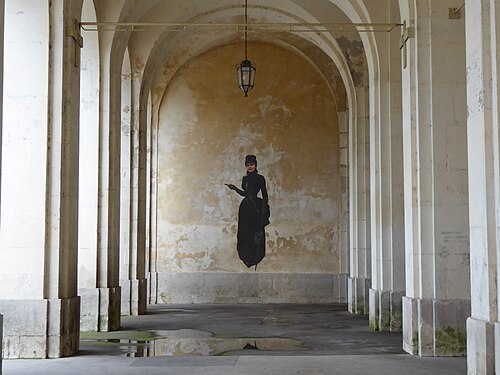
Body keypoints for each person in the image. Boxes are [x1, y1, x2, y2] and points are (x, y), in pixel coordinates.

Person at [226, 154, 270, 269]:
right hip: (245, 208)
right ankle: (246, 256)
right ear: (246, 166)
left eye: (252, 164)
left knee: (255, 231)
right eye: (248, 165)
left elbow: (265, 194)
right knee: (245, 233)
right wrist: (234, 188)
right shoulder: (244, 179)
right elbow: (245, 194)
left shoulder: (260, 178)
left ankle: (255, 256)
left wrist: (264, 207)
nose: (250, 167)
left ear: (255, 165)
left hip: (255, 208)